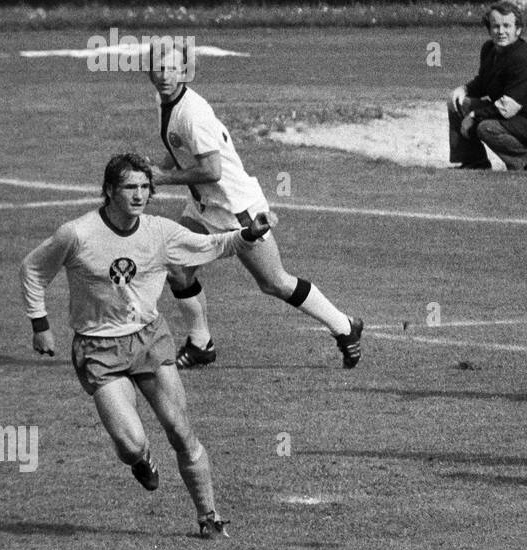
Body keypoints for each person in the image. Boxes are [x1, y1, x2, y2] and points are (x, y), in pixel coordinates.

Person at [20, 153, 274, 537]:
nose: (139, 195)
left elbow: (210, 246)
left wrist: (248, 235)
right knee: (130, 442)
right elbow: (33, 270)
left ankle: (209, 517)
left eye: (144, 187)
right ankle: (142, 461)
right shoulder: (77, 234)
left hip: (149, 339)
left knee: (180, 430)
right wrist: (40, 325)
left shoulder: (159, 231)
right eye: (129, 187)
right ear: (108, 191)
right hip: (99, 348)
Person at [146, 46, 364, 370]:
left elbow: (211, 170)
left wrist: (161, 178)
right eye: (158, 68)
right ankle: (200, 343)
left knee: (273, 282)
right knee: (177, 268)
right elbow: (179, 149)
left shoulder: (191, 113)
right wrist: (156, 172)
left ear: (185, 72)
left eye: (172, 69)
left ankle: (344, 326)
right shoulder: (165, 102)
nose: (165, 75)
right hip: (205, 207)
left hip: (236, 209)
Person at [448, 2, 527, 171]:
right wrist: (464, 89)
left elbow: (508, 107)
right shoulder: (489, 49)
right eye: (495, 26)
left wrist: (474, 115)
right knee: (456, 103)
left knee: (486, 128)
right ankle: (474, 161)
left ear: (518, 30)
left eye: (507, 26)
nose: (501, 31)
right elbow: (484, 82)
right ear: (489, 29)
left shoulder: (522, 58)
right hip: (510, 115)